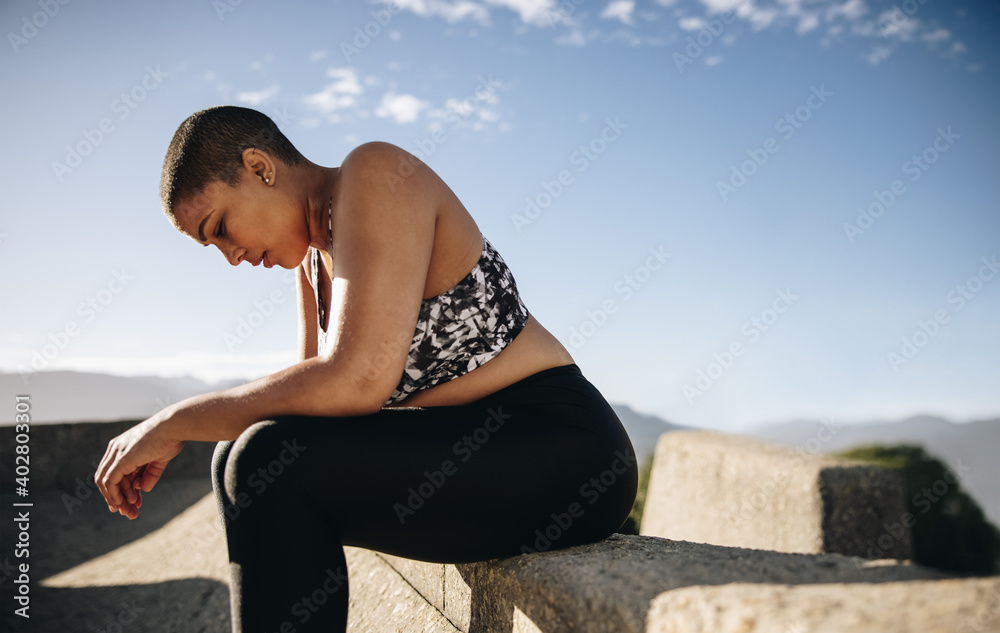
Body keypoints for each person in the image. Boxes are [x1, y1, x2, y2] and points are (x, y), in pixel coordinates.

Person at [96, 105, 638, 632]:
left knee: (266, 461)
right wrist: (194, 428)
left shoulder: (376, 172)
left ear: (260, 168)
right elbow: (306, 408)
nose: (230, 256)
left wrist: (171, 421)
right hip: (467, 447)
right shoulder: (313, 264)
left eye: (220, 227)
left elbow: (355, 382)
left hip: (562, 446)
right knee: (239, 455)